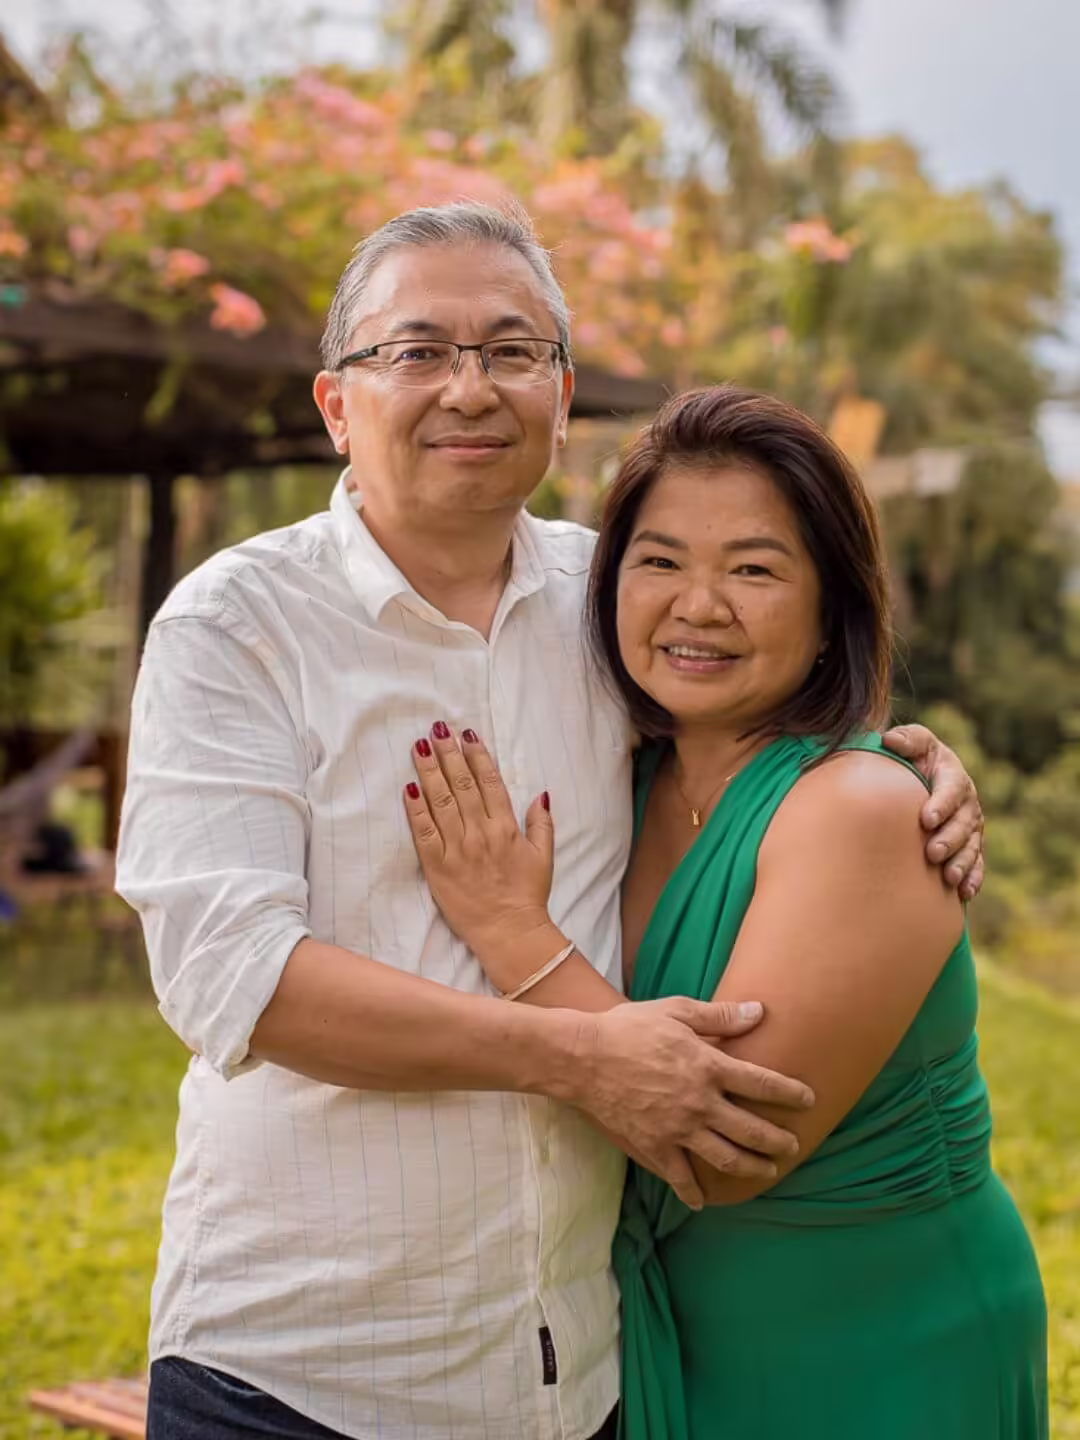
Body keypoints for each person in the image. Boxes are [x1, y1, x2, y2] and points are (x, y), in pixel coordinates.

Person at [116, 202, 985, 1440]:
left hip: (575, 1371)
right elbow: (234, 981)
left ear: (562, 396)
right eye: (416, 351)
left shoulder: (618, 600)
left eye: (511, 350)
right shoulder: (235, 630)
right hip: (302, 1368)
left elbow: (762, 730)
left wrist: (915, 765)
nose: (468, 388)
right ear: (335, 404)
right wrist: (584, 1055)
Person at [402, 384, 1046, 1440]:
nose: (698, 606)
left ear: (833, 607)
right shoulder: (629, 780)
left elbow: (722, 1146)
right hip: (671, 1335)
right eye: (659, 563)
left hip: (882, 1344)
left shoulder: (862, 807)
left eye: (753, 569)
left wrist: (514, 935)